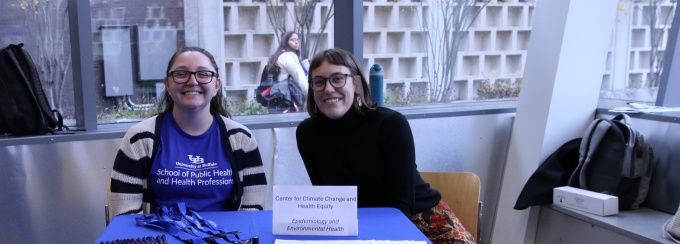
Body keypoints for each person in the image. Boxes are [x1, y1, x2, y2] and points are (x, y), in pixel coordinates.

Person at [295, 48, 475, 244]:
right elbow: (329, 200)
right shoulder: (306, 133)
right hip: (358, 225)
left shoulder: (390, 124)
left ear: (356, 84)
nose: (328, 88)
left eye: (338, 78)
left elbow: (400, 207)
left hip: (419, 219)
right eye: (319, 82)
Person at [109, 46, 267, 217]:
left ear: (216, 86)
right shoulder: (139, 140)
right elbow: (126, 218)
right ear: (167, 84)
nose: (192, 81)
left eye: (203, 74)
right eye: (181, 74)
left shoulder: (242, 139)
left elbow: (252, 214)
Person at [264, 31, 308, 113]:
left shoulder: (280, 55)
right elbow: (301, 79)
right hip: (288, 98)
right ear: (286, 42)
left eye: (297, 40)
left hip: (279, 96)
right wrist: (311, 98)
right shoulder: (289, 56)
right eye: (293, 40)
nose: (296, 42)